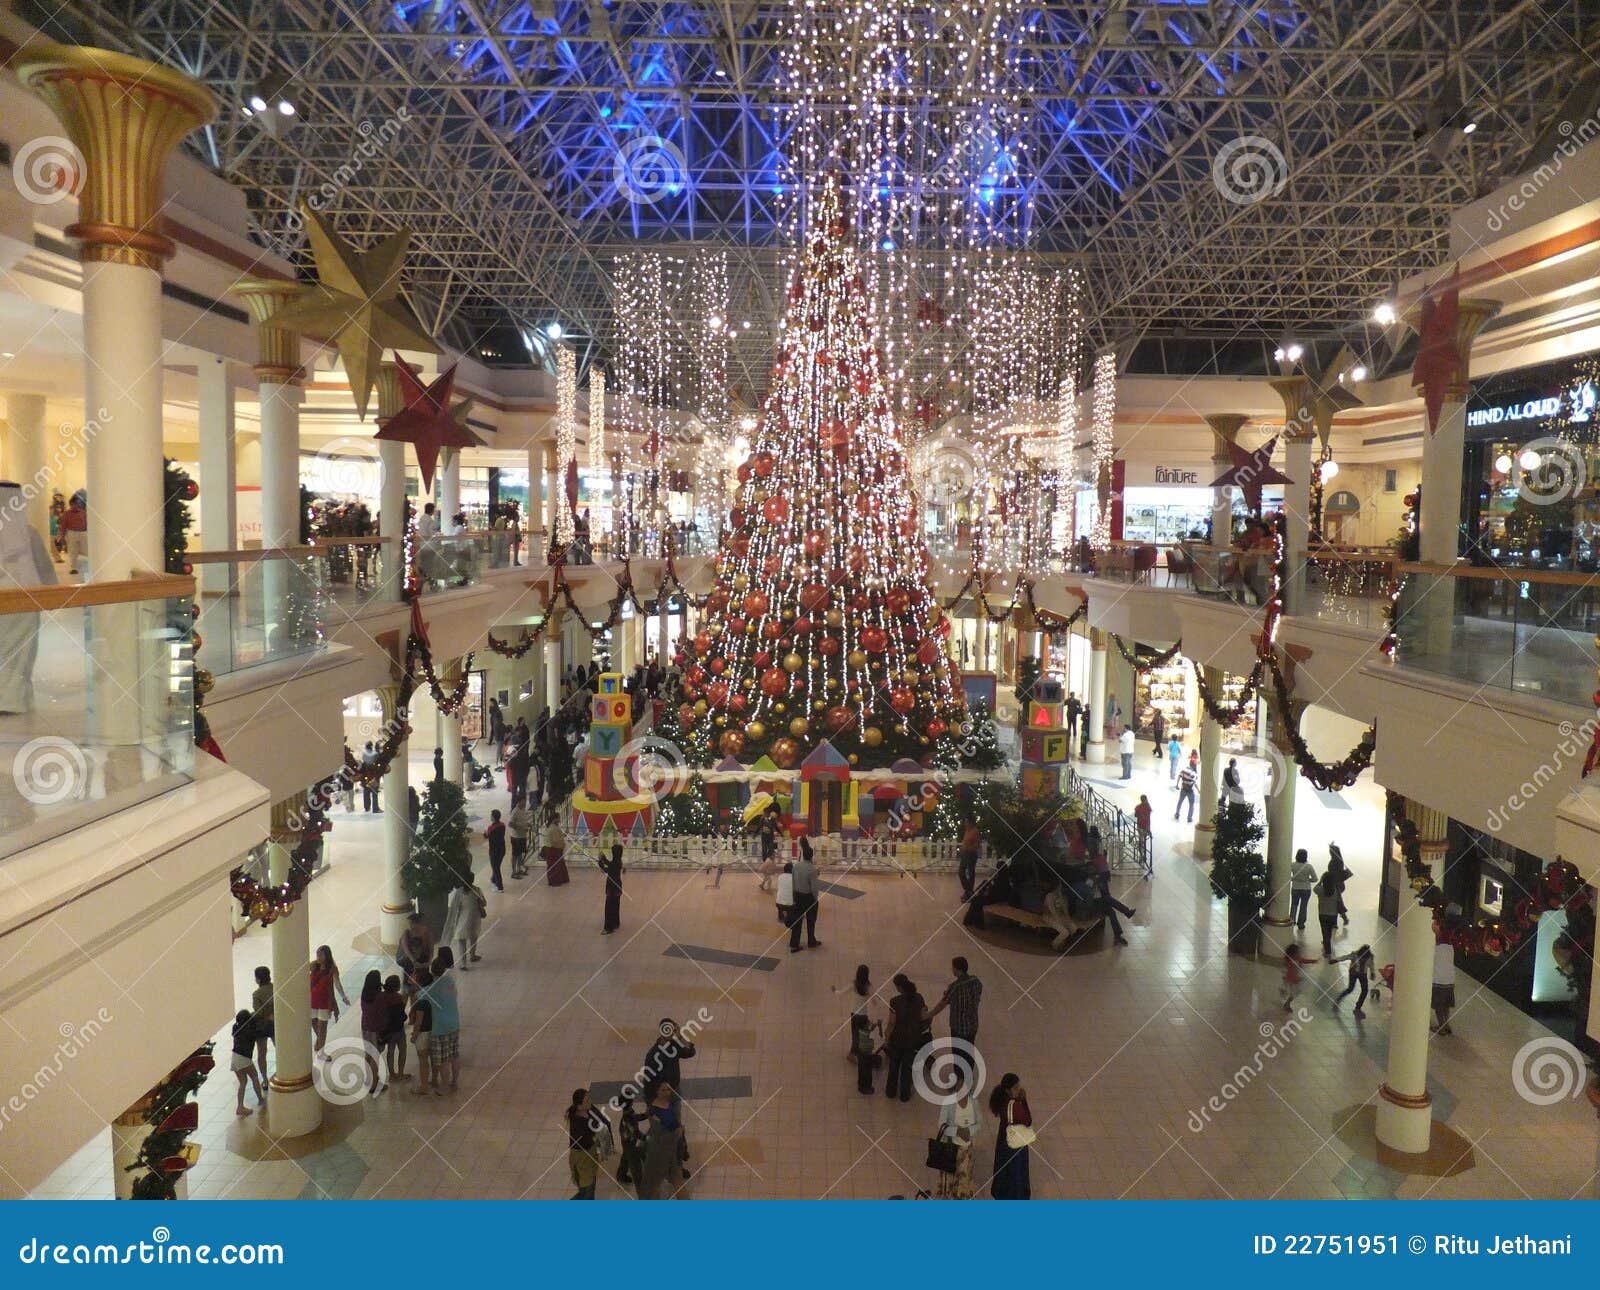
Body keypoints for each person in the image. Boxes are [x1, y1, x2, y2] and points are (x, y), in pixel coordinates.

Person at [641, 1021, 696, 1182]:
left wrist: (681, 1037)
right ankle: (665, 1165)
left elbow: (691, 1052)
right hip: (659, 1099)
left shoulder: (674, 1045)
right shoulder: (653, 1055)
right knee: (662, 1132)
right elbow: (649, 1081)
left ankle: (675, 1164)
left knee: (674, 1129)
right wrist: (652, 1104)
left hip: (673, 1093)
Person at [883, 973, 928, 1103]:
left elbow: (892, 1023)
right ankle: (904, 1094)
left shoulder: (895, 1001)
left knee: (894, 1066)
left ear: (899, 987)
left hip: (897, 1039)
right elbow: (923, 1016)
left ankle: (891, 1092)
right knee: (907, 1067)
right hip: (913, 1038)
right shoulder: (919, 998)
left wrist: (886, 1038)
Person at [422, 948, 461, 1094]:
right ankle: (454, 1082)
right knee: (455, 1055)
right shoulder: (450, 980)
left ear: (432, 971)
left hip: (440, 1028)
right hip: (454, 1023)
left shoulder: (431, 989)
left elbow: (419, 996)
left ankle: (444, 1087)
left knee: (444, 1060)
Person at [641, 1083, 687, 1200]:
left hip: (669, 1149)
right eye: (663, 1090)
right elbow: (659, 1131)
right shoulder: (654, 1110)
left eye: (668, 1090)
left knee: (675, 1181)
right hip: (661, 1151)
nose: (667, 1092)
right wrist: (678, 1131)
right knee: (657, 1184)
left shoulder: (667, 1104)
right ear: (657, 1092)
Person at [989, 1073, 1032, 1200]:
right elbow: (1027, 1121)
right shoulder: (1013, 1106)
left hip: (1006, 1142)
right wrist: (1023, 1101)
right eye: (1016, 1088)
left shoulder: (1006, 1101)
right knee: (1014, 1176)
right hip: (1012, 1146)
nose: (1019, 1090)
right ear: (1008, 1090)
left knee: (1007, 1175)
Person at [927, 956, 982, 1052]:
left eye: (953, 967)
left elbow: (942, 1004)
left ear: (958, 969)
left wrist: (929, 1014)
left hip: (959, 1026)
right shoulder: (976, 981)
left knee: (958, 1054)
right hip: (973, 1024)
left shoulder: (955, 987)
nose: (952, 969)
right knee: (969, 1050)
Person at [934, 1088, 982, 1200]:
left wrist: (968, 1131)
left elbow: (979, 1123)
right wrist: (957, 1131)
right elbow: (941, 1124)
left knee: (964, 1180)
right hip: (951, 1149)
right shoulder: (949, 1103)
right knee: (950, 1180)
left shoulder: (974, 1103)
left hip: (967, 1150)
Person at [308, 945, 349, 1061]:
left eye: (321, 955)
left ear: (327, 955)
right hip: (312, 1001)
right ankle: (319, 1042)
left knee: (322, 1027)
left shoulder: (332, 969)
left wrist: (343, 997)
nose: (319, 957)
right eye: (317, 955)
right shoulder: (313, 965)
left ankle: (321, 1051)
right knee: (314, 1023)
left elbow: (337, 984)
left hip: (325, 1001)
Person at [442, 876, 486, 966]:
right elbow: (484, 903)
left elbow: (453, 908)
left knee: (461, 942)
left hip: (461, 921)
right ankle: (472, 956)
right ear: (472, 880)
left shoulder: (459, 893)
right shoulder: (477, 890)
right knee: (473, 938)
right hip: (474, 920)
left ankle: (463, 964)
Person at [789, 835, 822, 951]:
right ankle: (811, 940)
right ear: (811, 856)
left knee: (797, 921)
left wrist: (793, 894)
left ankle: (794, 943)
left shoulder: (796, 866)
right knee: (811, 920)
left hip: (797, 895)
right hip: (808, 897)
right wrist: (815, 898)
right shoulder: (812, 869)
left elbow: (793, 880)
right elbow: (814, 887)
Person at [566, 1089, 601, 1199]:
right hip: (581, 1159)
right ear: (579, 1106)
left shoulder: (589, 1110)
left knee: (590, 1188)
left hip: (590, 1156)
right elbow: (586, 1141)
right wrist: (597, 1138)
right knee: (586, 1191)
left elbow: (600, 1120)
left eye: (589, 1098)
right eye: (587, 1101)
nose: (590, 1101)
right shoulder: (577, 1123)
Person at [230, 1011, 266, 1116]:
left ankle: (240, 1107)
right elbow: (259, 1031)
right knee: (254, 1076)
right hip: (244, 1058)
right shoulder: (250, 1030)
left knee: (242, 1082)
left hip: (235, 1056)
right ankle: (260, 1098)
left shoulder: (235, 1028)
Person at [359, 969, 388, 1096]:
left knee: (368, 1054)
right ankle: (374, 1084)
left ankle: (368, 1079)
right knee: (375, 1056)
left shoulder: (364, 994)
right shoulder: (380, 996)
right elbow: (382, 1014)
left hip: (365, 1027)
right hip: (376, 1029)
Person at [408, 966, 434, 1095]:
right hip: (435, 1029)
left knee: (423, 1060)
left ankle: (424, 1086)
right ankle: (433, 1080)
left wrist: (414, 1035)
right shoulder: (434, 993)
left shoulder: (420, 998)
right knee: (433, 1058)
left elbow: (418, 1021)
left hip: (423, 1033)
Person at [248, 964, 274, 1086]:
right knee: (281, 1048)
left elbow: (258, 1012)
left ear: (258, 979)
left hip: (261, 1026)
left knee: (262, 1053)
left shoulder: (257, 994)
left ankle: (264, 1079)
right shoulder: (276, 988)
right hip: (275, 1023)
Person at [1333, 944, 1375, 1017]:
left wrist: (1372, 972)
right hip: (1353, 973)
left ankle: (1358, 1007)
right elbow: (1345, 957)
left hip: (1363, 974)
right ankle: (1339, 998)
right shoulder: (1354, 955)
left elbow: (1371, 965)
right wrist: (1336, 960)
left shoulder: (1370, 957)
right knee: (1350, 989)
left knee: (1365, 990)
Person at [382, 974, 410, 1083]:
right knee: (402, 1050)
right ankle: (401, 1073)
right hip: (399, 1029)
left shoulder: (383, 997)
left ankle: (392, 1074)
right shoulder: (399, 997)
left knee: (390, 1051)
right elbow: (402, 1011)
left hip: (388, 1030)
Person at [1432, 938, 1456, 1035]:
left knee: (1438, 1006)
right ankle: (1446, 1025)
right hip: (1450, 980)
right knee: (1446, 1005)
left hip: (1439, 980)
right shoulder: (1450, 947)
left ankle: (1441, 1027)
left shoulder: (1434, 948)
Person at [1315, 868, 1341, 958]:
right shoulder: (1335, 890)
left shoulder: (1320, 890)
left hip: (1323, 914)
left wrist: (1320, 881)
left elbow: (1314, 888)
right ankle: (1327, 943)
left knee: (1324, 932)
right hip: (1333, 915)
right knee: (1329, 932)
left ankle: (1328, 951)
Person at [1288, 849, 1316, 930]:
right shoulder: (1309, 866)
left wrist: (1294, 879)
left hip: (1295, 888)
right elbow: (1315, 879)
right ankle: (1301, 924)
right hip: (1306, 888)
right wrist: (1307, 880)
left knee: (1294, 905)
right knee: (1304, 906)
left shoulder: (1292, 865)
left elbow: (1288, 876)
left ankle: (1292, 921)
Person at [755, 802, 781, 890]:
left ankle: (767, 881)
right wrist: (754, 834)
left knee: (765, 867)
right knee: (765, 866)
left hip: (769, 845)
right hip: (765, 844)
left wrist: (780, 833)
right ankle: (765, 882)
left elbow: (776, 827)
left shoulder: (772, 820)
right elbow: (759, 827)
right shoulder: (763, 819)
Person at [507, 793, 533, 879]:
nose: (525, 802)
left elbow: (522, 821)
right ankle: (513, 872)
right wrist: (521, 828)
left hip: (522, 836)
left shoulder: (523, 809)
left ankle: (519, 869)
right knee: (515, 854)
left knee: (520, 854)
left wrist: (527, 824)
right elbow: (510, 824)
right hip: (516, 837)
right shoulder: (515, 811)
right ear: (519, 801)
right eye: (523, 801)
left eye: (525, 801)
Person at [1327, 843, 1352, 925]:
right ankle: (1340, 920)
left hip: (1334, 885)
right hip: (1339, 884)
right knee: (1337, 902)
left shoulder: (1333, 862)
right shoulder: (1340, 861)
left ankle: (1341, 919)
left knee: (1337, 902)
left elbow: (1334, 874)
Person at [602, 842, 624, 933]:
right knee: (616, 905)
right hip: (617, 887)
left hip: (611, 888)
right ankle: (615, 923)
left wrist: (600, 862)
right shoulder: (619, 861)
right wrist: (604, 859)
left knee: (609, 907)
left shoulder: (614, 863)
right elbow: (610, 864)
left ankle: (608, 927)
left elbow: (606, 869)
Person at [958, 819, 982, 902]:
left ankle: (969, 893)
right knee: (961, 872)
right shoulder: (967, 831)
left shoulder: (975, 831)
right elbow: (965, 842)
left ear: (971, 822)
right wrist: (963, 848)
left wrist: (968, 848)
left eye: (966, 821)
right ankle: (968, 891)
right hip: (965, 854)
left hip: (971, 855)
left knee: (970, 873)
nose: (965, 823)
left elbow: (977, 844)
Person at [1281, 942, 1309, 1011]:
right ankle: (1286, 1004)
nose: (1299, 953)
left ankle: (1285, 997)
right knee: (1293, 993)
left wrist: (1314, 961)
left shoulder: (1297, 959)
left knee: (1294, 993)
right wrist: (1296, 979)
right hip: (1292, 981)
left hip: (1293, 980)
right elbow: (1289, 974)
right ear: (1292, 954)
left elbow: (1304, 961)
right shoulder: (1290, 962)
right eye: (1297, 952)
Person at [484, 809, 507, 892]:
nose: (490, 817)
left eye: (491, 815)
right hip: (502, 850)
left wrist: (485, 833)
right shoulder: (503, 825)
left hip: (494, 851)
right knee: (497, 866)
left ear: (493, 817)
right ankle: (493, 880)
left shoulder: (491, 828)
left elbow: (486, 836)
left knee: (496, 868)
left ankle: (500, 887)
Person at [1133, 795, 1153, 876]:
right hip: (1143, 827)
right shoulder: (1147, 807)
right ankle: (1142, 855)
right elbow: (1147, 817)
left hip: (1142, 826)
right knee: (1142, 841)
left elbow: (1136, 815)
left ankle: (1142, 855)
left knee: (1142, 841)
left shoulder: (1140, 807)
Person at [774, 861, 795, 928]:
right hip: (790, 904)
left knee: (781, 898)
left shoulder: (780, 877)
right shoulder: (794, 878)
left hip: (779, 902)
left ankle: (781, 915)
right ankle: (790, 916)